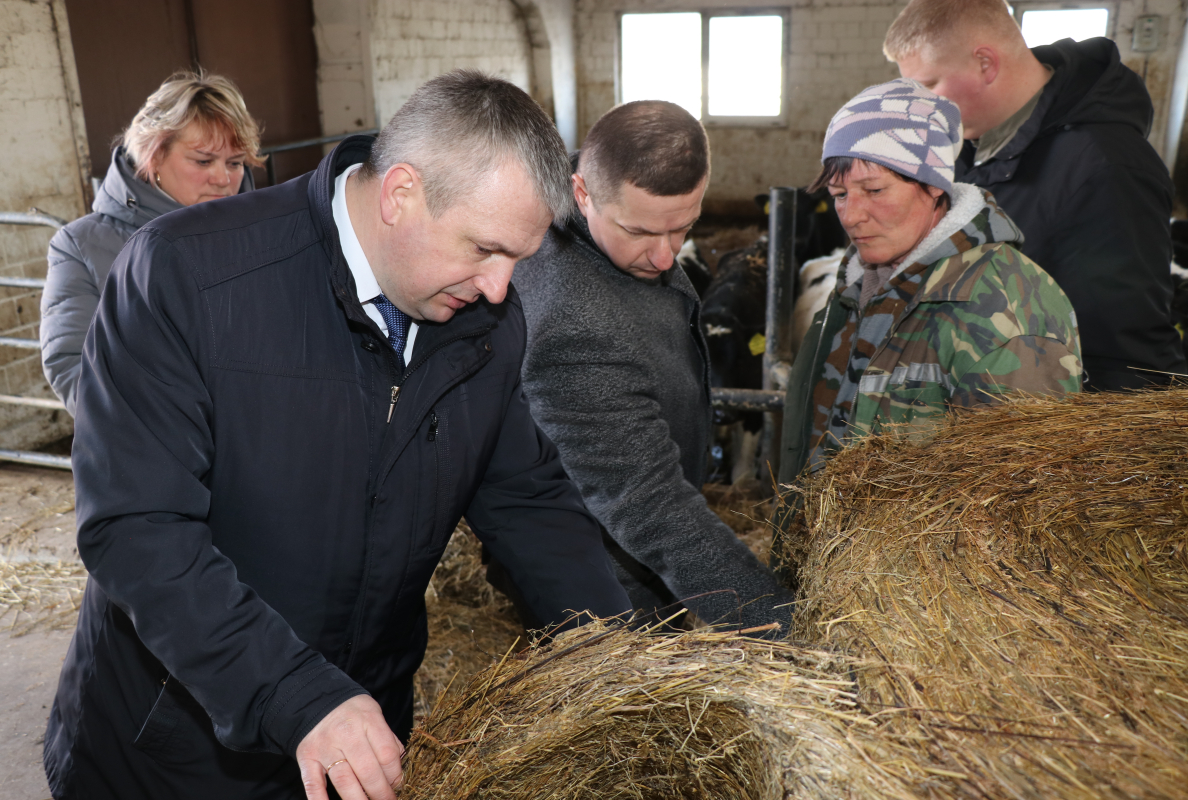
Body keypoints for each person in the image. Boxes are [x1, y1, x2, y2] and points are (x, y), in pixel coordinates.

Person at [43, 70, 631, 800]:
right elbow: (137, 528)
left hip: (360, 734)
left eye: (519, 257)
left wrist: (617, 655)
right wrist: (293, 691)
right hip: (179, 741)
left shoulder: (482, 323)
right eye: (484, 248)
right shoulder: (186, 277)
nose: (500, 287)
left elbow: (526, 498)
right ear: (401, 194)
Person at [509, 100, 793, 636]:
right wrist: (778, 626)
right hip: (606, 579)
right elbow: (650, 505)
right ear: (581, 193)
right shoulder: (576, 320)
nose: (665, 258)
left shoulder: (605, 210)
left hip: (637, 546)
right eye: (639, 232)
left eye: (683, 228)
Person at [775, 78, 1083, 516]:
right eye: (840, 195)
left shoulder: (1003, 307)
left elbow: (1020, 507)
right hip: (841, 573)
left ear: (934, 184)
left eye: (875, 190)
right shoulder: (857, 287)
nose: (852, 216)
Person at [884, 0, 1185, 391]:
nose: (921, 108)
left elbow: (1125, 350)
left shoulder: (1107, 167)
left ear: (985, 64)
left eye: (928, 86)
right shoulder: (967, 150)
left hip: (1049, 420)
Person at [40, 71, 260, 416]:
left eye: (234, 163)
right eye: (203, 160)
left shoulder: (263, 235)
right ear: (153, 156)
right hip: (162, 455)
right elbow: (73, 369)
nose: (223, 179)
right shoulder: (81, 245)